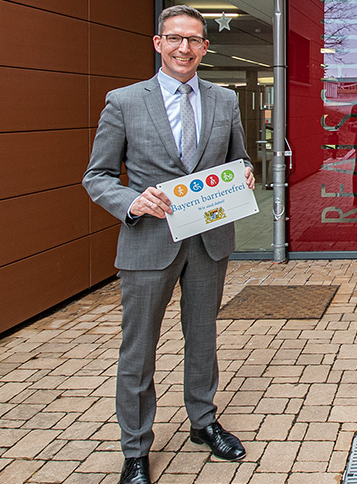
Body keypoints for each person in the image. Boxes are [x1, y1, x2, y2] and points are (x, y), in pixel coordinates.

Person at [82, 6, 253, 483]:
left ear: (204, 47)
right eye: (175, 38)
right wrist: (134, 202)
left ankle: (203, 422)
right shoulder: (124, 102)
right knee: (139, 347)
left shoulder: (224, 100)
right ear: (158, 43)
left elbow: (238, 159)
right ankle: (135, 449)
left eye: (195, 40)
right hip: (148, 241)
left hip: (208, 240)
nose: (185, 48)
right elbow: (96, 177)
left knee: (203, 339)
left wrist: (244, 174)